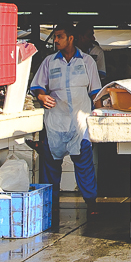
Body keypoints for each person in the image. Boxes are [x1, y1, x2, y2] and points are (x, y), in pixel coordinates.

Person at [29, 23, 103, 216]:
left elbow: (96, 92)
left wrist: (102, 116)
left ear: (71, 38)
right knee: (51, 166)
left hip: (80, 122)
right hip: (55, 121)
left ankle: (92, 204)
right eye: (55, 37)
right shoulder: (49, 62)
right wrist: (41, 96)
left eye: (59, 37)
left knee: (84, 165)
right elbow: (37, 85)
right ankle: (50, 205)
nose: (55, 40)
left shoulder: (87, 62)